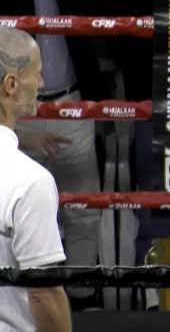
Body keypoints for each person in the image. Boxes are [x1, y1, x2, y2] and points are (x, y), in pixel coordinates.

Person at [0, 27, 71, 332]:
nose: (41, 83)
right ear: (11, 84)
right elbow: (44, 294)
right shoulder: (29, 180)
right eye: (37, 73)